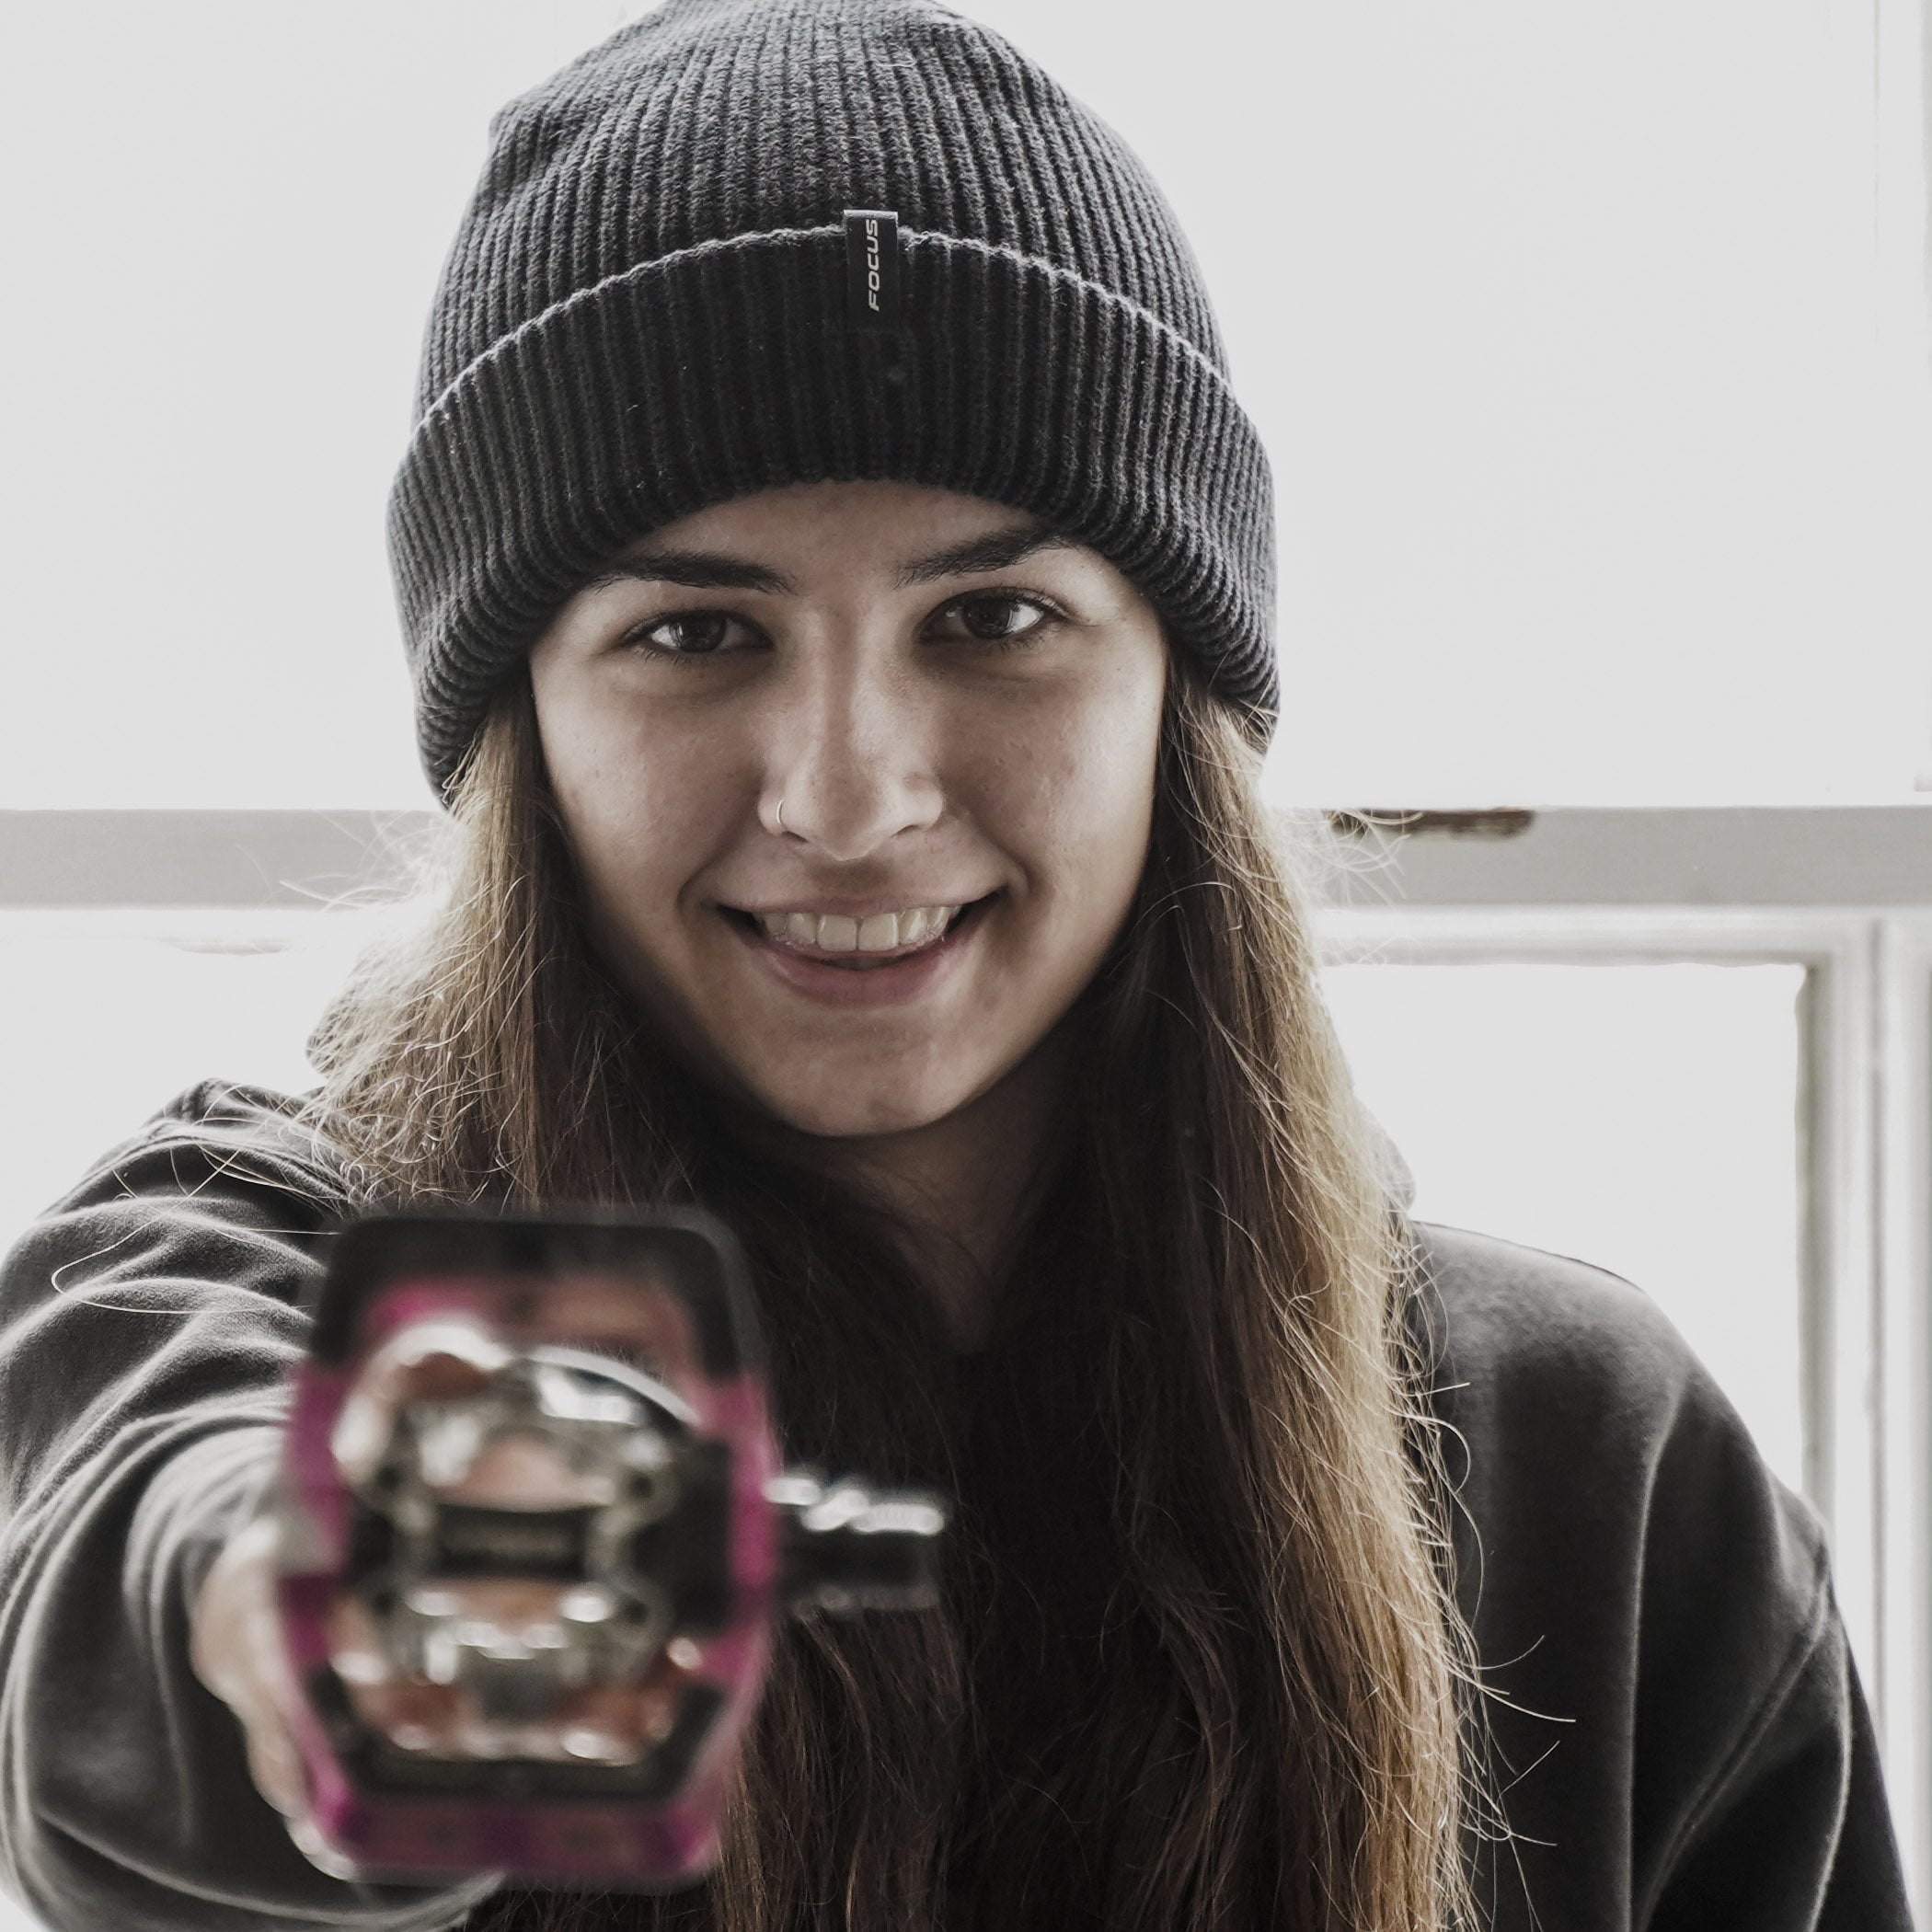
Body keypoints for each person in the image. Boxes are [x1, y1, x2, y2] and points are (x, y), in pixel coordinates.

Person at [0, 2, 1912, 1928]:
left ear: (1179, 691)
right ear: (528, 730)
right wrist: (283, 1604)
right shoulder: (246, 1284)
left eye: (995, 616)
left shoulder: (1589, 1462)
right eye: (693, 637)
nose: (851, 795)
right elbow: (162, 1546)